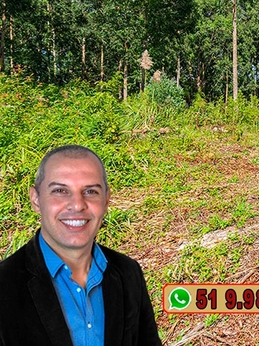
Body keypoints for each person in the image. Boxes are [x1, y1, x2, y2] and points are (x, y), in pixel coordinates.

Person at [0, 145, 162, 346]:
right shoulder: (4, 284)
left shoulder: (129, 273)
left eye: (90, 191)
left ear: (106, 200)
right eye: (60, 191)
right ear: (36, 199)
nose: (77, 205)